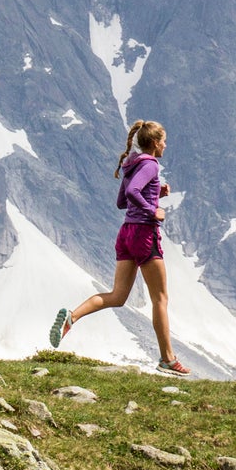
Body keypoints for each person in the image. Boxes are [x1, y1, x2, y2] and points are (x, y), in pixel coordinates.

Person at [49, 118, 190, 374]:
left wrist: (156, 193)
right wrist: (153, 210)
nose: (166, 146)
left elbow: (121, 201)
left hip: (125, 233)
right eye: (164, 142)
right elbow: (135, 192)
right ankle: (167, 359)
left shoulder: (131, 164)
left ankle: (72, 316)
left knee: (117, 296)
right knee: (160, 298)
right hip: (143, 233)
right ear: (155, 143)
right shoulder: (150, 164)